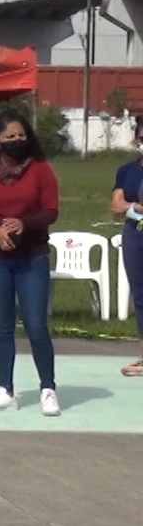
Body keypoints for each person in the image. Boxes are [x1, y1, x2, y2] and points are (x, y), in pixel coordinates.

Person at [0, 108, 61, 415]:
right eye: (11, 137)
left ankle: (48, 388)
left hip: (32, 257)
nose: (18, 140)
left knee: (36, 325)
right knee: (2, 327)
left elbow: (51, 211)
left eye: (22, 135)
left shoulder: (41, 170)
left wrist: (24, 224)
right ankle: (5, 389)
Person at [111, 122, 143, 376]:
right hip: (135, 237)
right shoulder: (126, 171)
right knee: (141, 297)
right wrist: (137, 208)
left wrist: (130, 208)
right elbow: (116, 207)